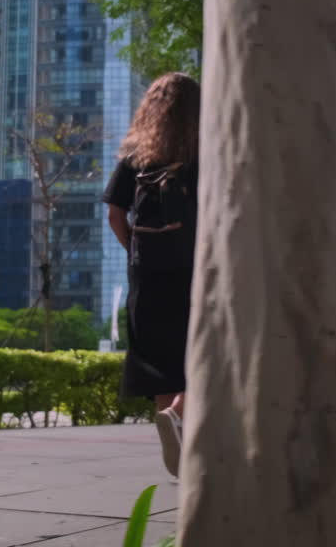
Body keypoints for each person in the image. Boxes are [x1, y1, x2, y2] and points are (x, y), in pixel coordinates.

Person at [103, 73, 199, 477]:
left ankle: (171, 424)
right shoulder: (204, 150)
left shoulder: (136, 154)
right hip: (194, 269)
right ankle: (181, 413)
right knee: (200, 356)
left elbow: (114, 213)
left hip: (147, 274)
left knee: (160, 362)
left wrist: (137, 253)